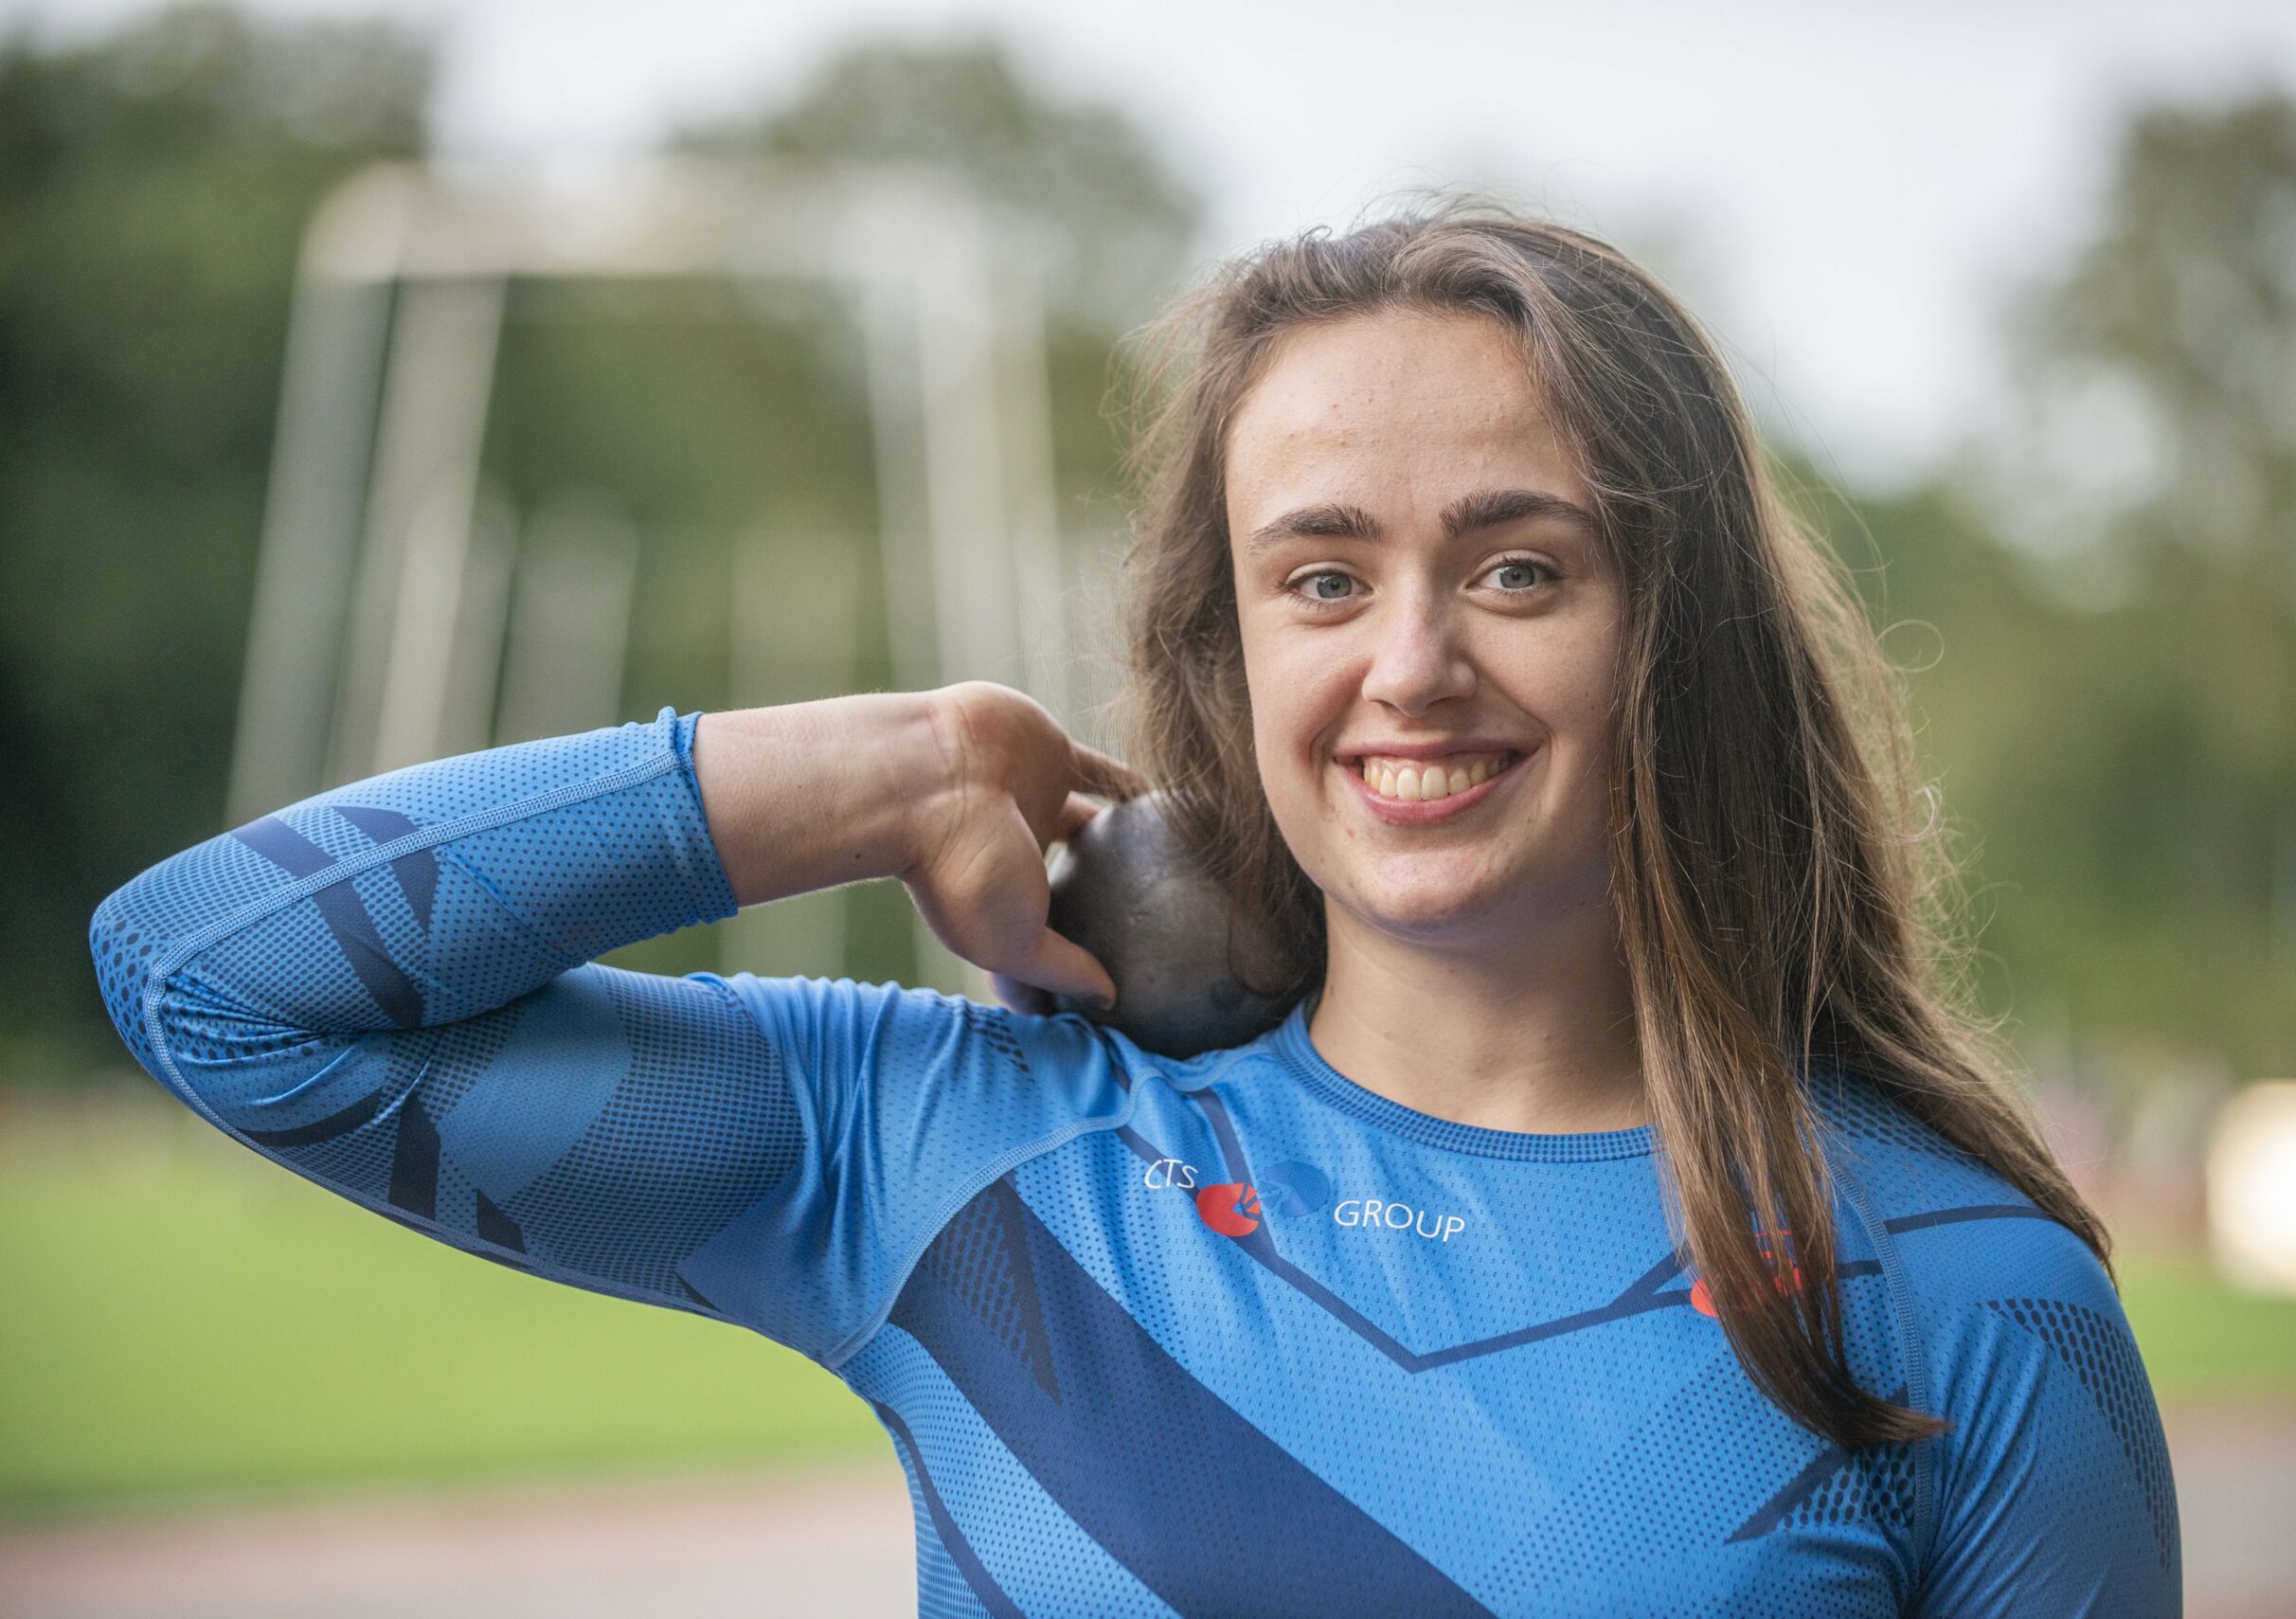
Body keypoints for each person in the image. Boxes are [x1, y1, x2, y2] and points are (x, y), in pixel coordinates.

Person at [89, 200, 2179, 1615]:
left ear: (1678, 634)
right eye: (1321, 576)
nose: (1413, 661)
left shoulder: (1966, 1300)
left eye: (1519, 567)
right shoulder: (960, 1155)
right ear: (1228, 649)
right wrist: (877, 769)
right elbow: (210, 982)